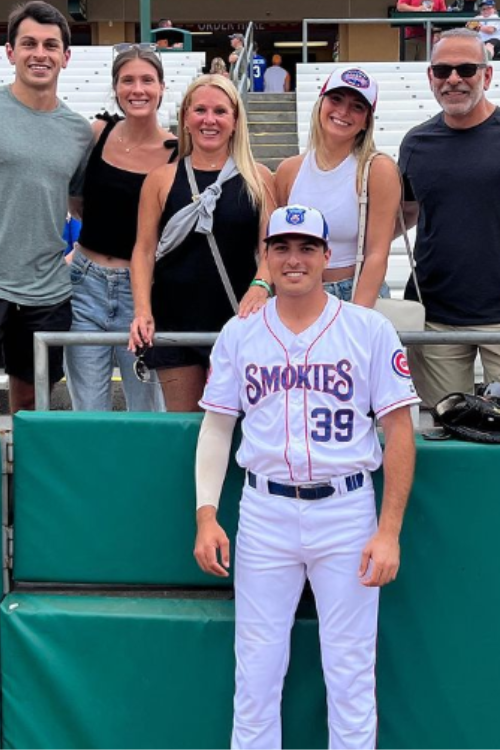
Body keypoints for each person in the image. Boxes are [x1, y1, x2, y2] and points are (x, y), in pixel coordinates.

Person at [194, 204, 418, 750]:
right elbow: (218, 427)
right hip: (264, 511)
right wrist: (206, 514)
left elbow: (400, 432)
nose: (293, 259)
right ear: (265, 258)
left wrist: (388, 531)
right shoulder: (240, 332)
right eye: (281, 248)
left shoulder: (369, 329)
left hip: (346, 511)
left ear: (326, 256)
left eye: (306, 248)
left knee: (349, 673)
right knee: (256, 673)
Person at [129, 74, 276, 412]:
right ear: (185, 117)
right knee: (187, 428)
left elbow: (271, 248)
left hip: (239, 320)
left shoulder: (259, 178)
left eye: (220, 112)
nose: (210, 120)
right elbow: (144, 250)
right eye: (200, 110)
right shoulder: (160, 179)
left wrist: (261, 285)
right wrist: (142, 309)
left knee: (240, 426)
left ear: (235, 121)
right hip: (176, 321)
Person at [64, 48, 177, 412]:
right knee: (89, 410)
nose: (137, 89)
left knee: (146, 409)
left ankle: (144, 472)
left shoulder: (177, 152)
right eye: (128, 80)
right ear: (115, 87)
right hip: (85, 285)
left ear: (161, 87)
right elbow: (77, 198)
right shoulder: (100, 131)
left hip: (141, 290)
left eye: (147, 80)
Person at [0, 0, 93, 413]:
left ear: (66, 56)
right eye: (29, 43)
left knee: (30, 402)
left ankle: (22, 481)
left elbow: (80, 204)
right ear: (10, 51)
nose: (40, 54)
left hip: (46, 293)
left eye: (51, 45)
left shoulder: (77, 131)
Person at [399, 28, 500, 407]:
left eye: (466, 69)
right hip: (438, 315)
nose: (453, 79)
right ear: (430, 77)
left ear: (486, 76)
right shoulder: (416, 143)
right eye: (442, 70)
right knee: (444, 427)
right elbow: (405, 215)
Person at [275, 66, 401, 308]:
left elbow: (377, 254)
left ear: (366, 121)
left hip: (353, 292)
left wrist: (355, 317)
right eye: (336, 99)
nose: (343, 111)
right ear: (321, 104)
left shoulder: (377, 169)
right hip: (297, 294)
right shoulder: (288, 170)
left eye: (357, 106)